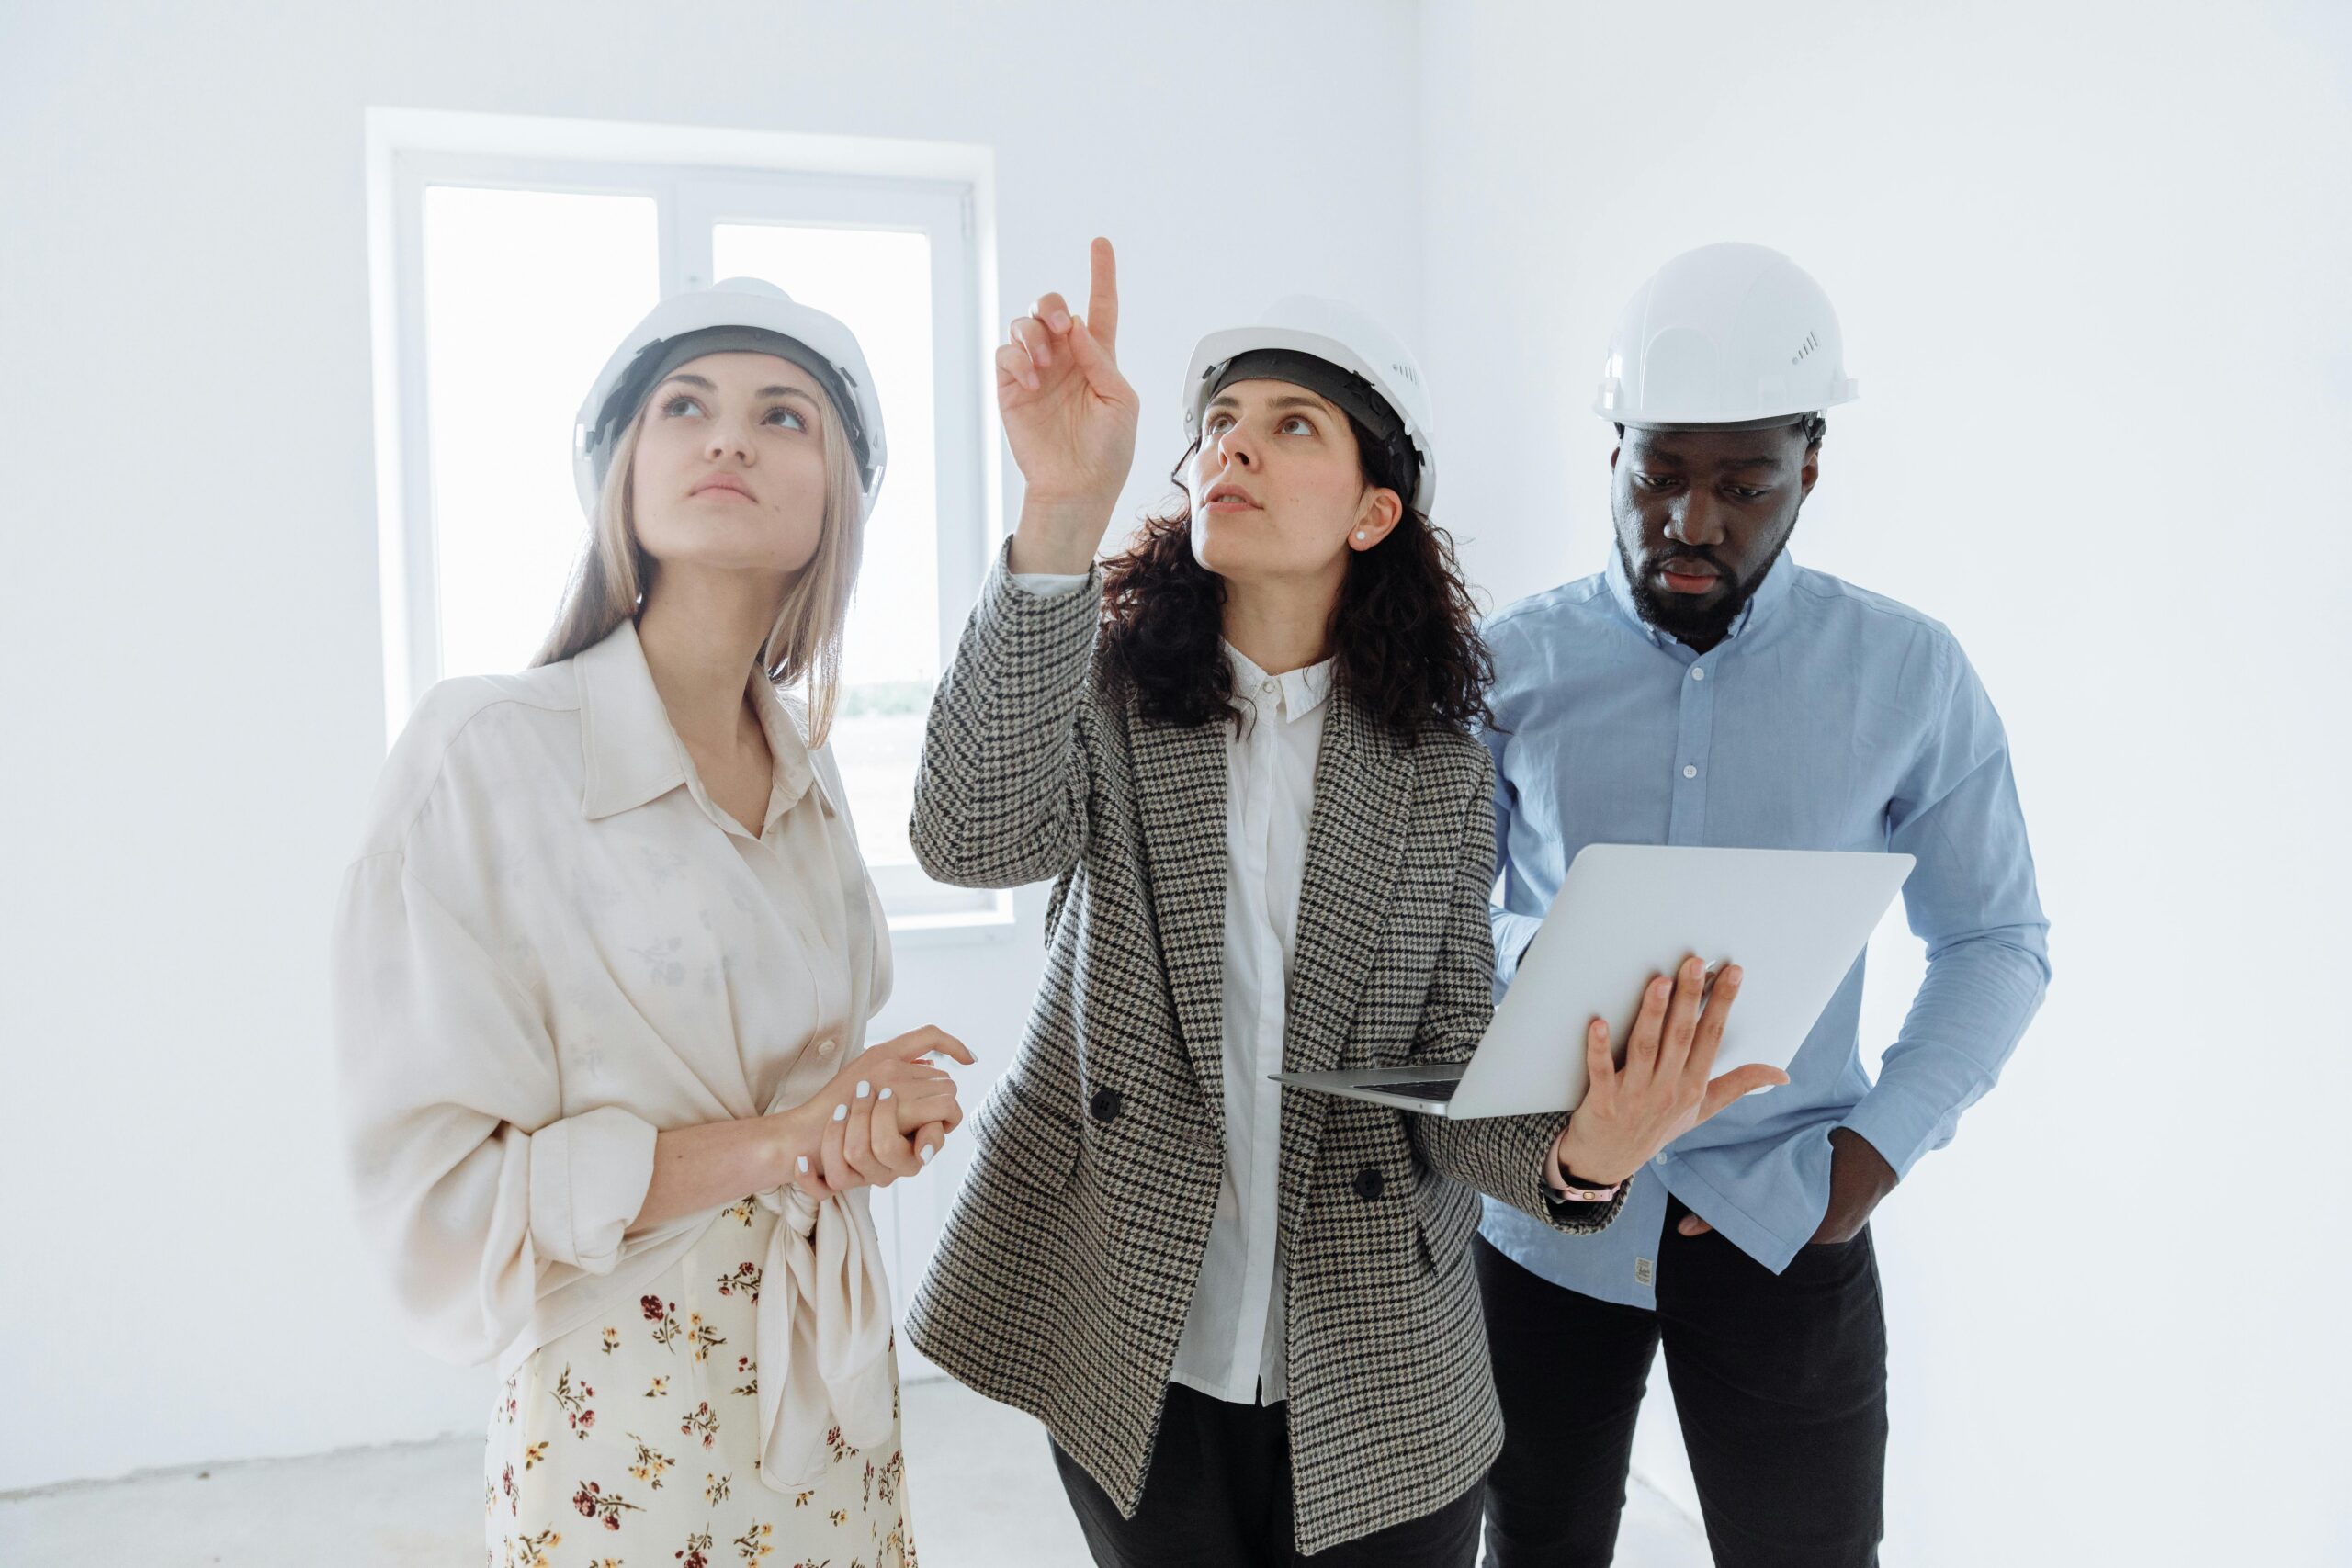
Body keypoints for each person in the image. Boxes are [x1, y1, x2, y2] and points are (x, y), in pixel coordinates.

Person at [901, 239, 1783, 1566]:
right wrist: (1058, 514)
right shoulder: (1105, 700)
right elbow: (967, 838)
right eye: (1216, 429)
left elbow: (1444, 1096)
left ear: (1374, 511)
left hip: (1378, 1352)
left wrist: (1590, 1151)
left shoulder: (1435, 774)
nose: (1231, 452)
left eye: (1289, 425)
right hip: (1131, 1333)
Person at [332, 278, 971, 1568]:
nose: (728, 436)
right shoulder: (486, 754)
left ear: (833, 502)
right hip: (621, 1409)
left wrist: (851, 1129)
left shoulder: (809, 769)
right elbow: (445, 1200)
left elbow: (794, 1118)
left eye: (782, 415)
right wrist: (784, 1139)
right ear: (621, 472)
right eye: (686, 405)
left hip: (830, 1379)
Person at [1476, 243, 2052, 1568]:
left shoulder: (1909, 676)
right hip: (1543, 1216)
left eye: (1745, 486)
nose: (1692, 521)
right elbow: (1436, 925)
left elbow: (1997, 940)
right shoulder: (1507, 666)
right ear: (1613, 449)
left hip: (1789, 1210)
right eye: (1659, 474)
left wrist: (1871, 1158)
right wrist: (1550, 954)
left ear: (1811, 469)